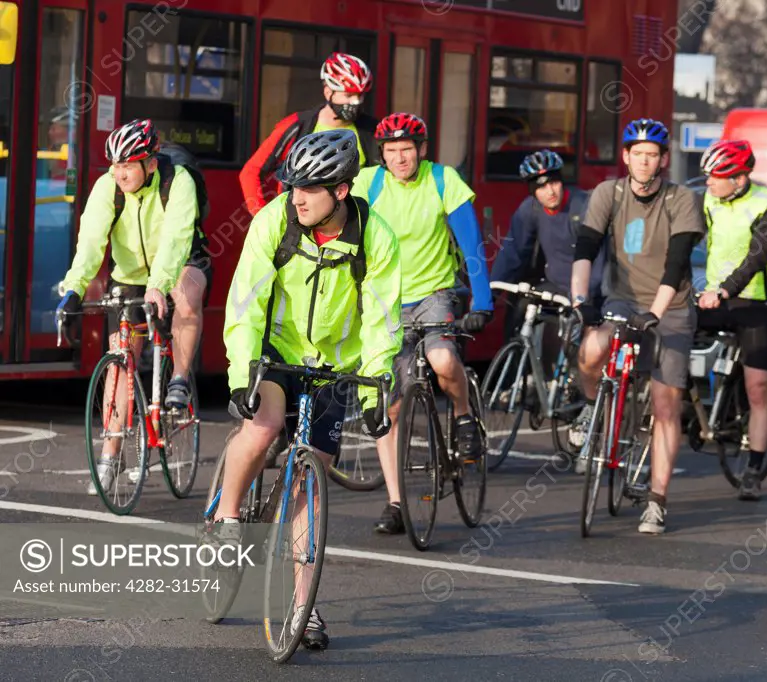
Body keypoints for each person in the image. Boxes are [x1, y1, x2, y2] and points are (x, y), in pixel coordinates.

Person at [215, 129, 402, 650]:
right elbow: (246, 299)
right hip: (274, 351)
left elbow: (383, 320)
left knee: (309, 481)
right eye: (291, 185)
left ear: (341, 190)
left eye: (308, 188)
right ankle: (228, 518)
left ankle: (304, 606)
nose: (294, 197)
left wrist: (371, 394)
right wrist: (239, 376)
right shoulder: (275, 220)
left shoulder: (375, 236)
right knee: (265, 424)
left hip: (335, 366)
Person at [350, 112, 493, 535]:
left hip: (434, 293)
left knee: (443, 358)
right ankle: (396, 503)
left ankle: (465, 417)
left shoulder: (443, 180)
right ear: (382, 155)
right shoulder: (368, 184)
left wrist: (482, 301)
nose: (399, 158)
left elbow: (471, 246)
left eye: (407, 150)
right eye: (391, 152)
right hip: (385, 300)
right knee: (387, 404)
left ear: (422, 150)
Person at [56, 119, 210, 494]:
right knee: (119, 358)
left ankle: (178, 381)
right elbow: (91, 241)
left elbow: (176, 238)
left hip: (183, 262)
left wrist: (159, 285)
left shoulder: (179, 182)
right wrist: (73, 290)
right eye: (114, 165)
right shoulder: (108, 187)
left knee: (185, 295)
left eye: (127, 165)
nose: (118, 173)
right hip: (128, 274)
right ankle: (111, 453)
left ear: (151, 164)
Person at [569, 118, 705, 534]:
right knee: (592, 350)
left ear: (663, 160)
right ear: (626, 157)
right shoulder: (607, 193)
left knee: (666, 406)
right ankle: (593, 406)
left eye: (653, 155)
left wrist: (657, 314)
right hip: (622, 300)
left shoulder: (681, 198)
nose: (645, 162)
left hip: (672, 306)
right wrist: (579, 301)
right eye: (637, 154)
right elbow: (587, 247)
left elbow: (677, 262)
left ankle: (657, 500)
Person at [695, 139, 767, 501]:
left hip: (755, 302)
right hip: (714, 297)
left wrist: (727, 289)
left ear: (739, 177)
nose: (708, 184)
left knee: (758, 387)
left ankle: (753, 470)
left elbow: (758, 256)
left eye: (715, 177)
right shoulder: (709, 200)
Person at [490, 150, 605, 374]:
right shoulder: (530, 209)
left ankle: (572, 382)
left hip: (588, 287)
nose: (550, 191)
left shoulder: (583, 206)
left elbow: (600, 257)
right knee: (519, 307)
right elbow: (513, 253)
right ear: (533, 191)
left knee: (580, 346)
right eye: (541, 187)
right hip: (554, 284)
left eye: (554, 182)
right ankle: (516, 380)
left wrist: (584, 297)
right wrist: (491, 292)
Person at [239, 52, 377, 217]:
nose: (356, 102)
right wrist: (263, 217)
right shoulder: (297, 126)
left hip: (353, 227)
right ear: (328, 93)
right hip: (298, 227)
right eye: (348, 95)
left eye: (360, 96)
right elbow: (251, 171)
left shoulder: (371, 131)